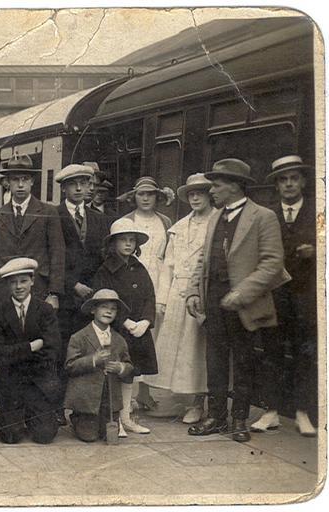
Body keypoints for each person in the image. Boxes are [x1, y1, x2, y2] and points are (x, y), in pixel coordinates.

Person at [186, 158, 288, 443]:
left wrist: (241, 293)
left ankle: (239, 418)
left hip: (245, 302)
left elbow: (273, 263)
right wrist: (193, 291)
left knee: (244, 360)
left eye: (216, 186)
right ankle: (216, 416)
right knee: (215, 358)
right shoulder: (215, 217)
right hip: (214, 299)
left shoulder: (263, 216)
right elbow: (203, 260)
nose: (211, 191)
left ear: (234, 186)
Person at [251, 155, 317, 436]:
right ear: (276, 185)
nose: (289, 184)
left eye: (294, 178)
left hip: (306, 297)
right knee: (272, 353)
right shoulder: (267, 215)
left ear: (303, 182)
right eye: (283, 179)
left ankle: (302, 413)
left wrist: (317, 252)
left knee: (305, 353)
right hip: (275, 297)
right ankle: (271, 412)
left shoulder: (319, 211)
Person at [143, 174, 216, 424]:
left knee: (198, 348)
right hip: (177, 292)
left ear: (209, 195)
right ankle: (184, 399)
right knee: (179, 348)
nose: (195, 198)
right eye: (191, 194)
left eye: (200, 193)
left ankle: (198, 402)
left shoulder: (216, 222)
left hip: (201, 292)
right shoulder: (179, 227)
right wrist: (162, 299)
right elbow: (168, 265)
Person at [53, 163, 108, 423]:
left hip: (90, 299)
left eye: (83, 183)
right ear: (64, 188)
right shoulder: (53, 215)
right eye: (72, 184)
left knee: (87, 352)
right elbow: (51, 256)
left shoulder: (98, 219)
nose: (78, 188)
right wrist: (72, 284)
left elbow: (102, 258)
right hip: (65, 297)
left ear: (89, 186)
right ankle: (57, 407)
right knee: (62, 351)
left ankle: (81, 408)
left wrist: (94, 290)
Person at [92, 217, 157, 436]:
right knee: (115, 373)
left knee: (130, 372)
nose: (128, 244)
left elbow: (149, 296)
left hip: (138, 330)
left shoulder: (139, 267)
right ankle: (115, 420)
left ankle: (126, 418)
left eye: (132, 240)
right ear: (113, 243)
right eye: (123, 240)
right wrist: (125, 321)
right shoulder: (105, 270)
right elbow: (103, 302)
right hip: (118, 330)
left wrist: (145, 321)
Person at [0, 258, 62, 445]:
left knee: (45, 435)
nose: (19, 286)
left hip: (38, 382)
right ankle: (12, 416)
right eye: (13, 282)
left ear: (32, 281)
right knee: (10, 437)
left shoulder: (45, 310)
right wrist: (32, 346)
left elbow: (52, 349)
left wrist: (15, 353)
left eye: (23, 281)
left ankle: (32, 414)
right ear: (8, 285)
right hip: (11, 382)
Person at [116, 176, 173, 411]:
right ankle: (126, 394)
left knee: (151, 335)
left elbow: (169, 254)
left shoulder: (165, 221)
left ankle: (145, 392)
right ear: (134, 197)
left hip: (158, 279)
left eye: (151, 194)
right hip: (133, 278)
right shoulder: (126, 221)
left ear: (157, 197)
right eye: (142, 194)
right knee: (131, 334)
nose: (146, 198)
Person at [0, 154, 64, 314]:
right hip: (3, 290)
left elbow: (57, 254)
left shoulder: (48, 212)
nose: (20, 185)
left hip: (38, 288)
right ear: (7, 183)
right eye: (15, 179)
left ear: (32, 181)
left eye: (25, 179)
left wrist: (54, 293)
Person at [64, 289, 133, 442]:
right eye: (104, 307)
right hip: (87, 400)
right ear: (93, 310)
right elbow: (70, 365)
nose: (109, 311)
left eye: (113, 309)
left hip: (109, 399)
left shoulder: (119, 339)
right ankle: (78, 418)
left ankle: (108, 420)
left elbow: (129, 365)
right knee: (89, 436)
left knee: (108, 435)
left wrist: (121, 367)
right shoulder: (79, 337)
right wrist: (93, 360)